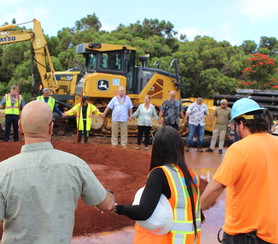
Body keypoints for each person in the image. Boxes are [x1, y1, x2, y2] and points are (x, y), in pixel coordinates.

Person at [0, 100, 115, 244]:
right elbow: (107, 204)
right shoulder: (75, 165)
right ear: (51, 128)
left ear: (20, 126)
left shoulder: (1, 172)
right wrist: (109, 195)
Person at [201, 98, 278, 244]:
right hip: (272, 234)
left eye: (235, 124)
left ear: (241, 124)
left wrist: (197, 210)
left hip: (243, 234)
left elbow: (217, 186)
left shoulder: (239, 149)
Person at [114, 126, 201, 243]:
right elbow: (198, 214)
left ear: (159, 149)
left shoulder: (160, 174)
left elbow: (143, 212)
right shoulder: (192, 175)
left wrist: (118, 208)